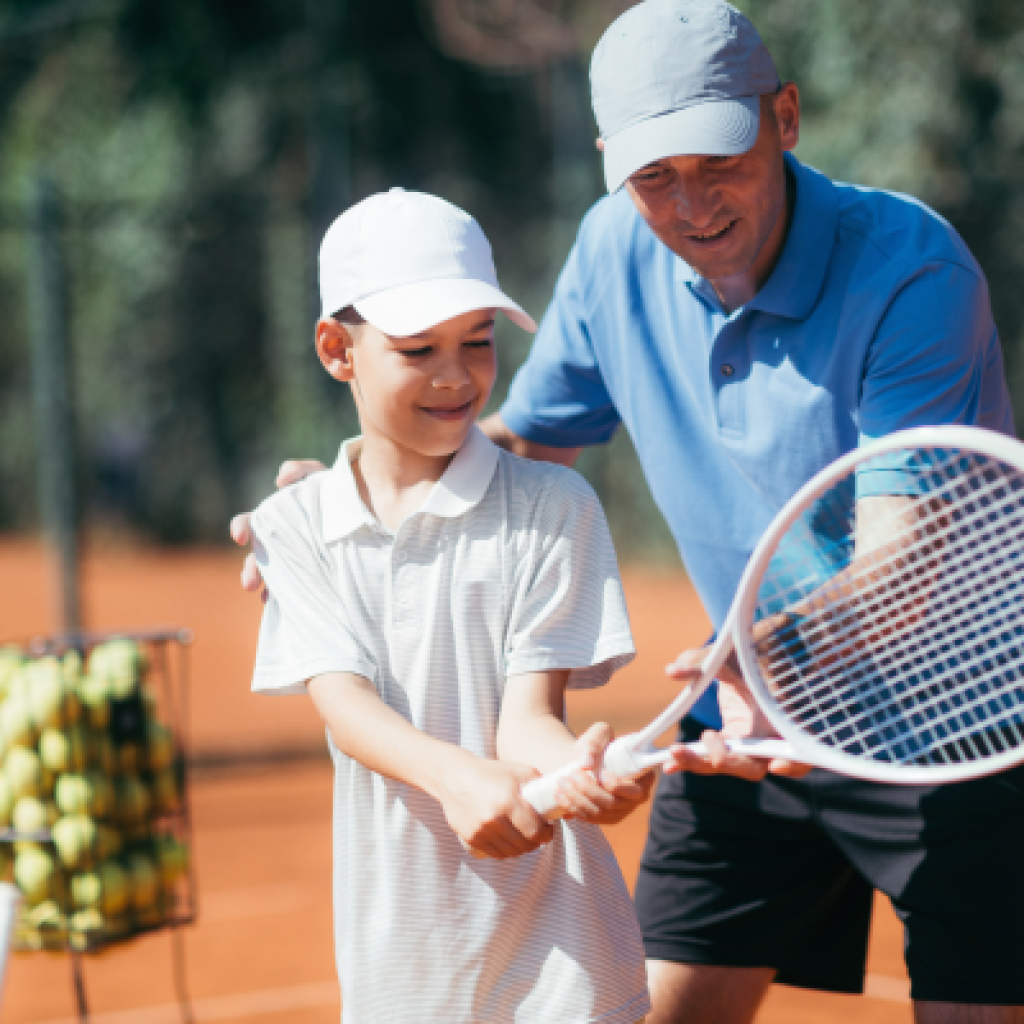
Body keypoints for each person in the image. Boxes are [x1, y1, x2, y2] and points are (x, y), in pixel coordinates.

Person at [234, 2, 1024, 1022]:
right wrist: (349, 488)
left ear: (783, 118)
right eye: (653, 176)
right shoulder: (614, 250)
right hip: (738, 720)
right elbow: (511, 448)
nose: (691, 205)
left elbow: (902, 565)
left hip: (954, 727)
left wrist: (761, 648)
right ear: (611, 163)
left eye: (717, 161)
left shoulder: (911, 272)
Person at [244, 186, 652, 1024]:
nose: (457, 375)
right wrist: (458, 781)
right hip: (401, 963)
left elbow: (530, 719)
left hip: (565, 968)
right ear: (337, 349)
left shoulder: (554, 505)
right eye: (418, 348)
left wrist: (575, 770)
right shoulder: (293, 526)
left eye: (478, 340)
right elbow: (345, 707)